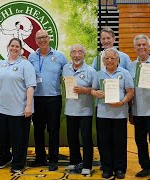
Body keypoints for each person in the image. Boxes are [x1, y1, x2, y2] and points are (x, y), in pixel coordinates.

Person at [28, 29, 68, 171]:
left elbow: (68, 74)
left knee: (53, 130)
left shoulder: (60, 56)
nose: (42, 40)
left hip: (54, 98)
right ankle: (40, 158)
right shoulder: (32, 57)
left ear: (49, 38)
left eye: (44, 37)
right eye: (39, 38)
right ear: (36, 41)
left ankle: (53, 159)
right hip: (37, 99)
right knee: (38, 130)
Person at [91, 48, 134, 179]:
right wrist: (96, 93)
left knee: (119, 142)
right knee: (104, 142)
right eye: (107, 58)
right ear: (103, 60)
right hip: (103, 113)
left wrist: (122, 102)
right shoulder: (98, 74)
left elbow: (130, 92)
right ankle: (106, 168)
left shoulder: (125, 73)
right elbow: (93, 90)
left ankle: (120, 169)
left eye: (112, 58)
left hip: (120, 114)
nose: (109, 61)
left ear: (117, 60)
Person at [0, 38, 36, 173]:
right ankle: (5, 159)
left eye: (17, 46)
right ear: (8, 47)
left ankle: (19, 163)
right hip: (2, 108)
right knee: (1, 138)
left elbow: (31, 86)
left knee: (19, 140)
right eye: (12, 46)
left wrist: (28, 106)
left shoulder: (26, 65)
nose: (14, 48)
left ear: (21, 49)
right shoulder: (1, 64)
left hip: (19, 109)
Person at [129, 34, 150, 180]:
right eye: (139, 45)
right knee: (140, 141)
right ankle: (146, 168)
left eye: (144, 44)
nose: (141, 47)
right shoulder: (131, 66)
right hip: (137, 110)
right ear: (135, 47)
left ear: (149, 46)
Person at [62, 44, 96, 175]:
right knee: (72, 138)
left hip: (85, 110)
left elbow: (96, 90)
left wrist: (84, 90)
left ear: (84, 55)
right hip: (70, 110)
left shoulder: (91, 71)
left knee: (86, 138)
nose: (77, 55)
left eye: (80, 52)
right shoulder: (65, 68)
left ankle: (87, 164)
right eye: (74, 52)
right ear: (70, 55)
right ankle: (74, 161)